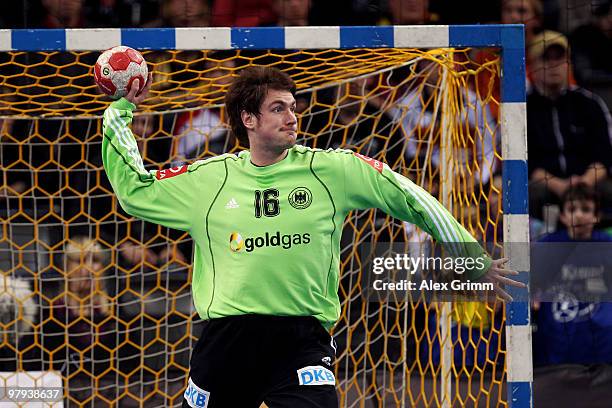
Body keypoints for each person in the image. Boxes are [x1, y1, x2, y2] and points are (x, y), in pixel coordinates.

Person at [101, 66, 524, 407]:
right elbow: (135, 190)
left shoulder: (333, 169)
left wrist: (471, 258)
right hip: (226, 340)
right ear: (248, 119)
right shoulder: (208, 179)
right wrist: (118, 112)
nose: (292, 116)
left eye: (293, 106)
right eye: (278, 108)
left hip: (301, 339)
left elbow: (410, 196)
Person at [532, 184, 612, 407]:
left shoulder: (607, 244)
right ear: (564, 216)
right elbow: (532, 283)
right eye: (572, 209)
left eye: (586, 209)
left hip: (601, 342)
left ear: (596, 216)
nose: (578, 214)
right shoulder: (548, 245)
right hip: (558, 340)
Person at [527, 31, 612, 220]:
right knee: (532, 195)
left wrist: (584, 182)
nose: (553, 65)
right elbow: (526, 162)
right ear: (532, 66)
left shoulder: (590, 103)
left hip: (589, 181)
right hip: (546, 186)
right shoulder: (523, 108)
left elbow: (605, 154)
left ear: (569, 64)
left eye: (559, 58)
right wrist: (559, 185)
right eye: (546, 59)